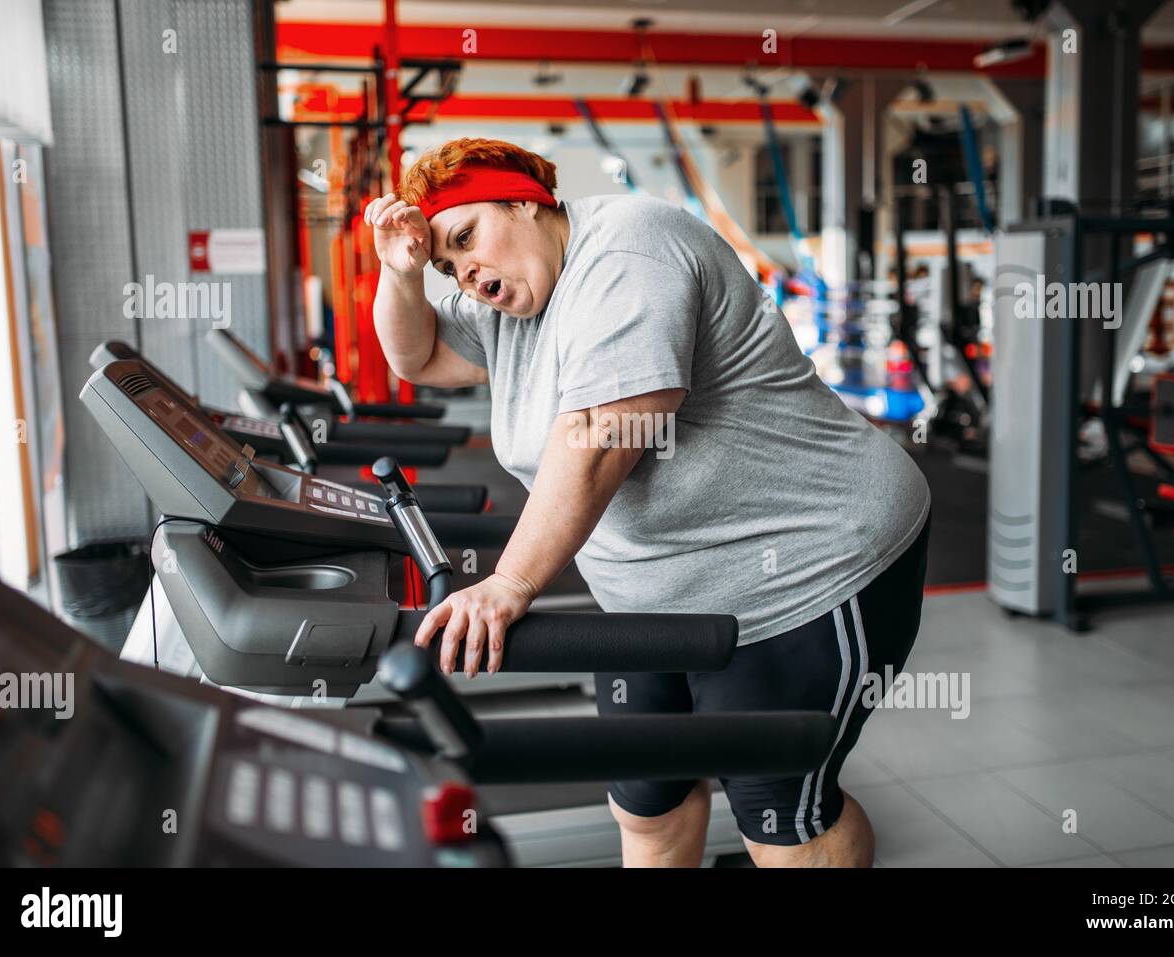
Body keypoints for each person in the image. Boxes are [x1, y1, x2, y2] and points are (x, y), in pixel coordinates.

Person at [368, 138, 931, 868]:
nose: (465, 274)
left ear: (526, 201)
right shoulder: (510, 313)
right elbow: (414, 357)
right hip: (653, 601)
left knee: (784, 823)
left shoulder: (628, 250)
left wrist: (510, 583)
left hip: (807, 570)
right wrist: (402, 275)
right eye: (448, 263)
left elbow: (603, 432)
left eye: (467, 239)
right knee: (647, 806)